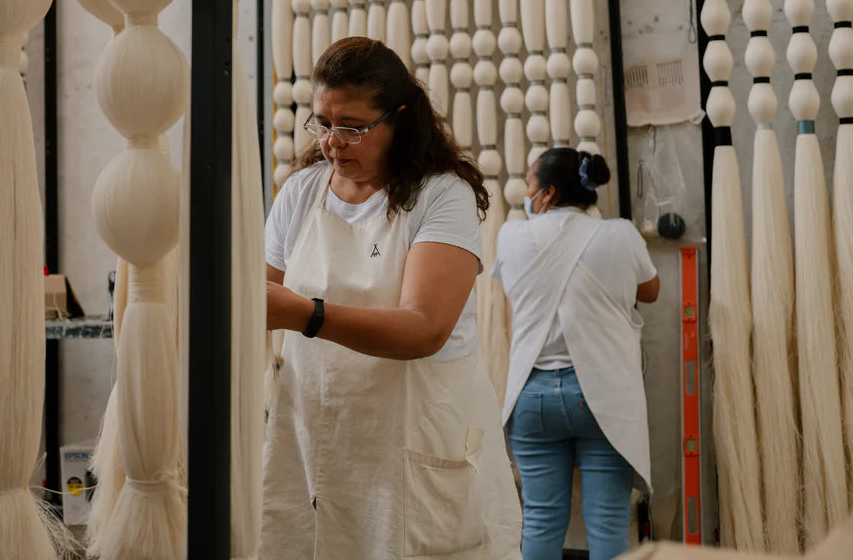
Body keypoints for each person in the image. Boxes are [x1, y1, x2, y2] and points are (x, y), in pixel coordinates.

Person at [262, 37, 522, 559]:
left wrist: (306, 314)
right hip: (318, 437)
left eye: (354, 126)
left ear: (399, 118)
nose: (335, 141)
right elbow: (261, 296)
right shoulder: (302, 192)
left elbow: (424, 327)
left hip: (414, 437)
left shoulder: (439, 194)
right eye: (323, 123)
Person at [492, 148, 659, 560]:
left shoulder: (512, 236)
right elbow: (650, 291)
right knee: (607, 527)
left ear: (547, 194)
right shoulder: (620, 234)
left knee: (541, 523)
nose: (526, 195)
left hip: (532, 398)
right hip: (601, 397)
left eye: (530, 185)